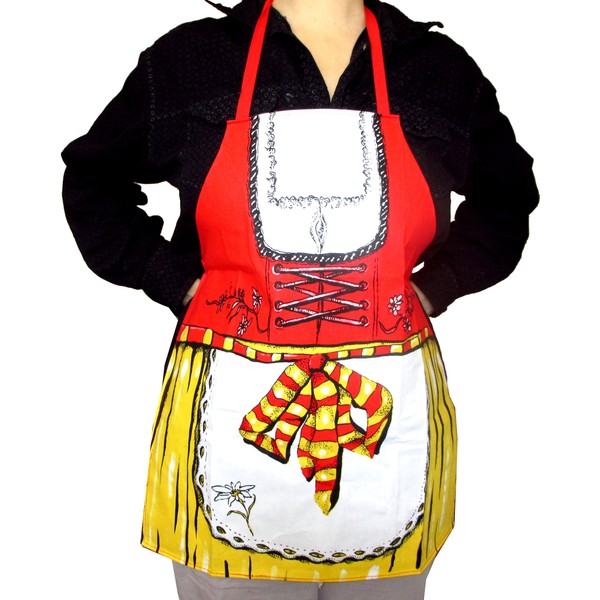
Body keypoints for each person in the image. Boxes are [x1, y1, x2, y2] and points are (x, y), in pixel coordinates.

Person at [62, 0, 539, 598]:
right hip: (228, 390)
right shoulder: (191, 60)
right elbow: (93, 180)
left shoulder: (438, 70)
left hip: (389, 398)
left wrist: (434, 286)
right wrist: (175, 281)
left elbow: (505, 198)